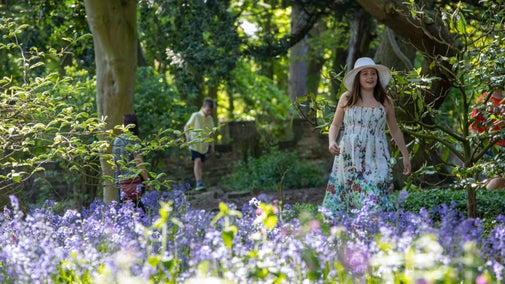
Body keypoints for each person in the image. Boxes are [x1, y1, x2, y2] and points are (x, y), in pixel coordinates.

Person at [322, 57, 411, 214]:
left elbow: (395, 129)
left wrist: (405, 155)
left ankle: (378, 229)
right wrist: (331, 142)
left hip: (377, 154)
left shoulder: (385, 101)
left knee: (376, 192)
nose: (370, 77)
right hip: (350, 155)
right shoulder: (347, 98)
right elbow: (335, 125)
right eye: (365, 74)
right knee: (351, 195)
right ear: (358, 78)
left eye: (373, 73)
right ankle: (353, 234)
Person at [112, 114, 151, 210]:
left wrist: (117, 180)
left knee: (124, 210)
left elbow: (115, 162)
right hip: (133, 181)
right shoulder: (134, 140)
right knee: (138, 210)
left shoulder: (117, 140)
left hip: (120, 181)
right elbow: (139, 163)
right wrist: (148, 181)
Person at [470, 87, 505, 189]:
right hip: (491, 146)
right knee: (500, 175)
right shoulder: (484, 100)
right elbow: (474, 125)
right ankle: (483, 196)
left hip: (503, 145)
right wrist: (478, 144)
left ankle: (482, 194)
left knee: (499, 179)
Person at [184, 99, 216, 191]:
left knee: (200, 164)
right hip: (195, 144)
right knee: (197, 161)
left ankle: (200, 182)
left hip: (204, 146)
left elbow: (211, 133)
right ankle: (199, 182)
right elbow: (186, 126)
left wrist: (212, 146)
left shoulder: (210, 119)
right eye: (208, 110)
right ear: (203, 107)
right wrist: (188, 138)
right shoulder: (195, 115)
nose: (209, 112)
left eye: (210, 111)